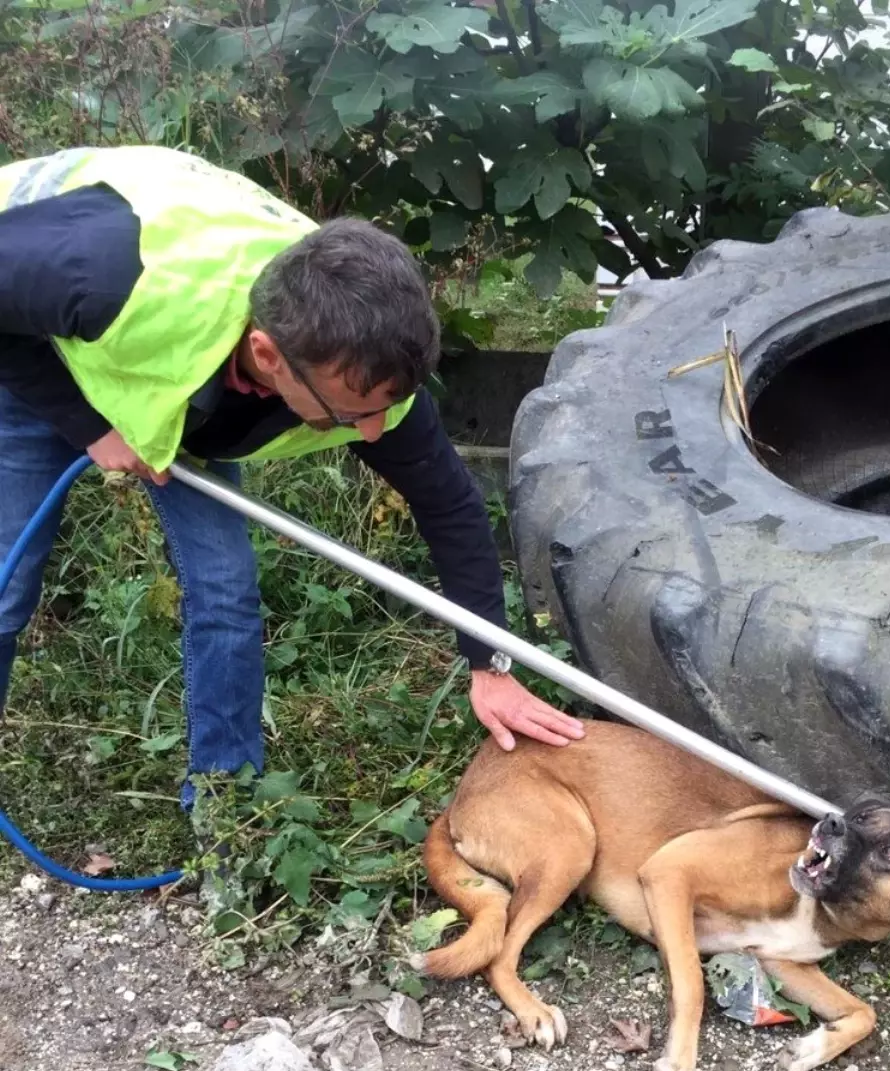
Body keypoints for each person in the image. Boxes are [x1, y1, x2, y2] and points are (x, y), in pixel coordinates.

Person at [0, 145, 585, 827]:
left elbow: (449, 504)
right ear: (270, 357)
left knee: (224, 587)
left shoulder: (367, 370)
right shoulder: (105, 272)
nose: (371, 434)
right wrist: (89, 426)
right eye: (349, 414)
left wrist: (489, 662)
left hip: (179, 383)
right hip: (34, 335)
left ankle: (222, 808)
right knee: (7, 585)